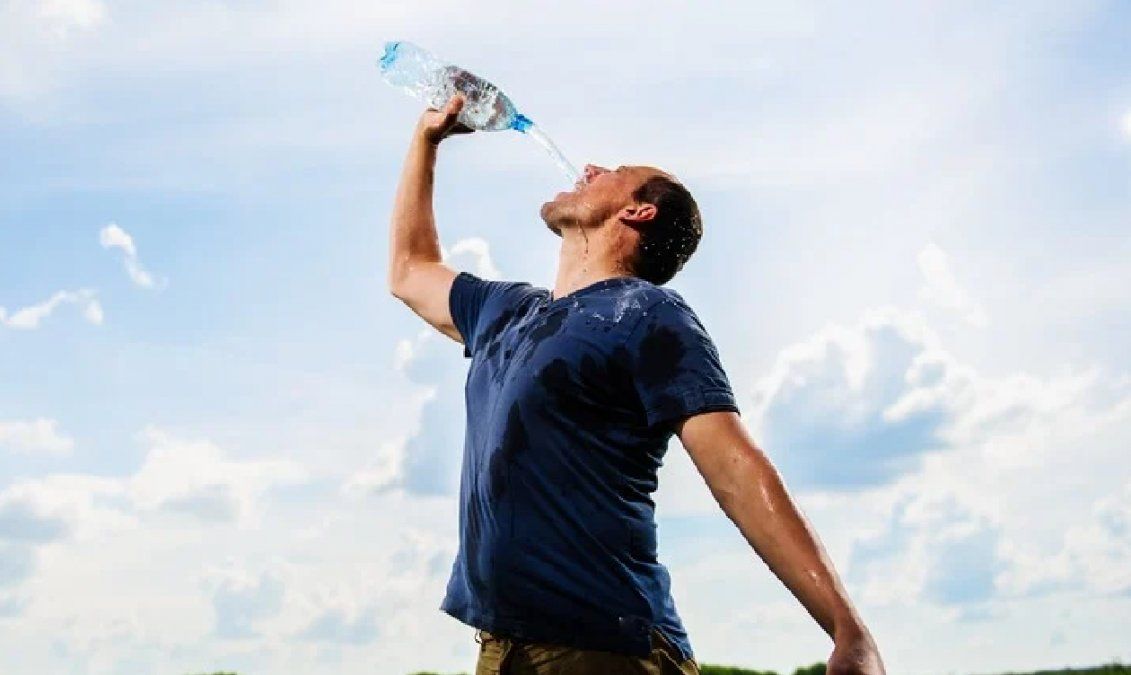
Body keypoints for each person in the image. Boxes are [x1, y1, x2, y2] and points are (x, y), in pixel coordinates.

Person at [388, 94, 886, 675]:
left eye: (616, 174)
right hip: (502, 649)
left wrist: (847, 630)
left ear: (639, 212)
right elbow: (409, 270)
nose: (592, 168)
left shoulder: (648, 314)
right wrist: (426, 142)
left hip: (603, 648)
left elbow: (736, 470)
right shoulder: (505, 311)